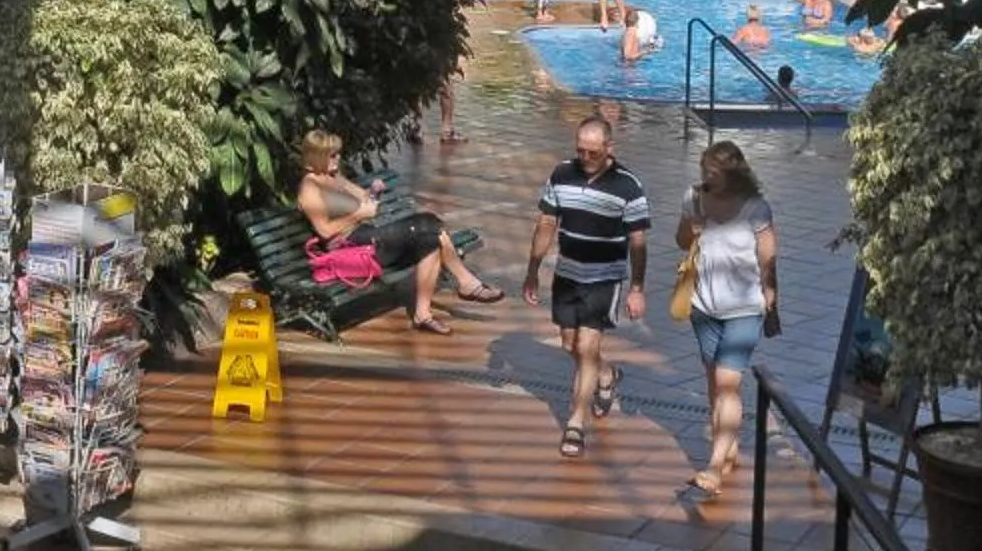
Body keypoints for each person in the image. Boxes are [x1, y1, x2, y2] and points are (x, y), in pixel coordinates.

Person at [294, 130, 502, 331]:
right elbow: (324, 231)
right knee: (427, 225)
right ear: (317, 156)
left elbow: (363, 198)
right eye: (332, 155)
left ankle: (423, 314)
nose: (338, 158)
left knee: (430, 238)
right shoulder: (310, 187)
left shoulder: (333, 177)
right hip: (353, 248)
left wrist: (373, 192)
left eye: (338, 153)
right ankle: (466, 283)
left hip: (367, 236)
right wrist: (358, 215)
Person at [526, 115, 648, 456]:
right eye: (580, 150)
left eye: (593, 152)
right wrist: (533, 269)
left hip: (604, 278)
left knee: (587, 345)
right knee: (572, 345)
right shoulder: (562, 174)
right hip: (568, 274)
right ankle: (606, 375)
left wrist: (637, 288)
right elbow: (547, 222)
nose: (585, 157)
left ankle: (576, 423)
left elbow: (638, 241)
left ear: (609, 148)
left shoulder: (628, 186)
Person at [675, 140, 778, 497]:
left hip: (744, 308)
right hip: (704, 306)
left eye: (714, 173)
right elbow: (680, 240)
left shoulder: (756, 208)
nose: (707, 178)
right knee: (714, 383)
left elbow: (768, 261)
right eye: (704, 171)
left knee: (727, 383)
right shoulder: (694, 198)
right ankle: (728, 445)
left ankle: (715, 466)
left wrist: (772, 304)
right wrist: (693, 227)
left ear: (734, 174)